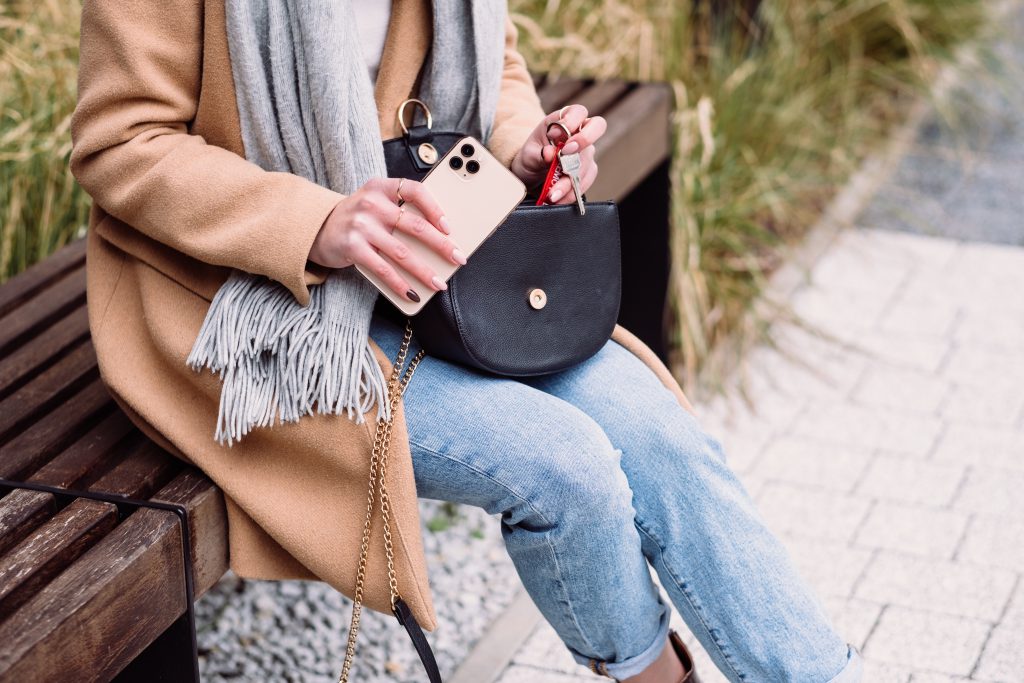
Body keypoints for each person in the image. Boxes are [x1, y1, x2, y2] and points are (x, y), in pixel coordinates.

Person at [69, 0, 863, 681]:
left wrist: (523, 148)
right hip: (250, 302)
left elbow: (497, 65)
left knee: (660, 435)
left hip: (438, 267)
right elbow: (120, 139)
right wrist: (315, 221)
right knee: (562, 464)